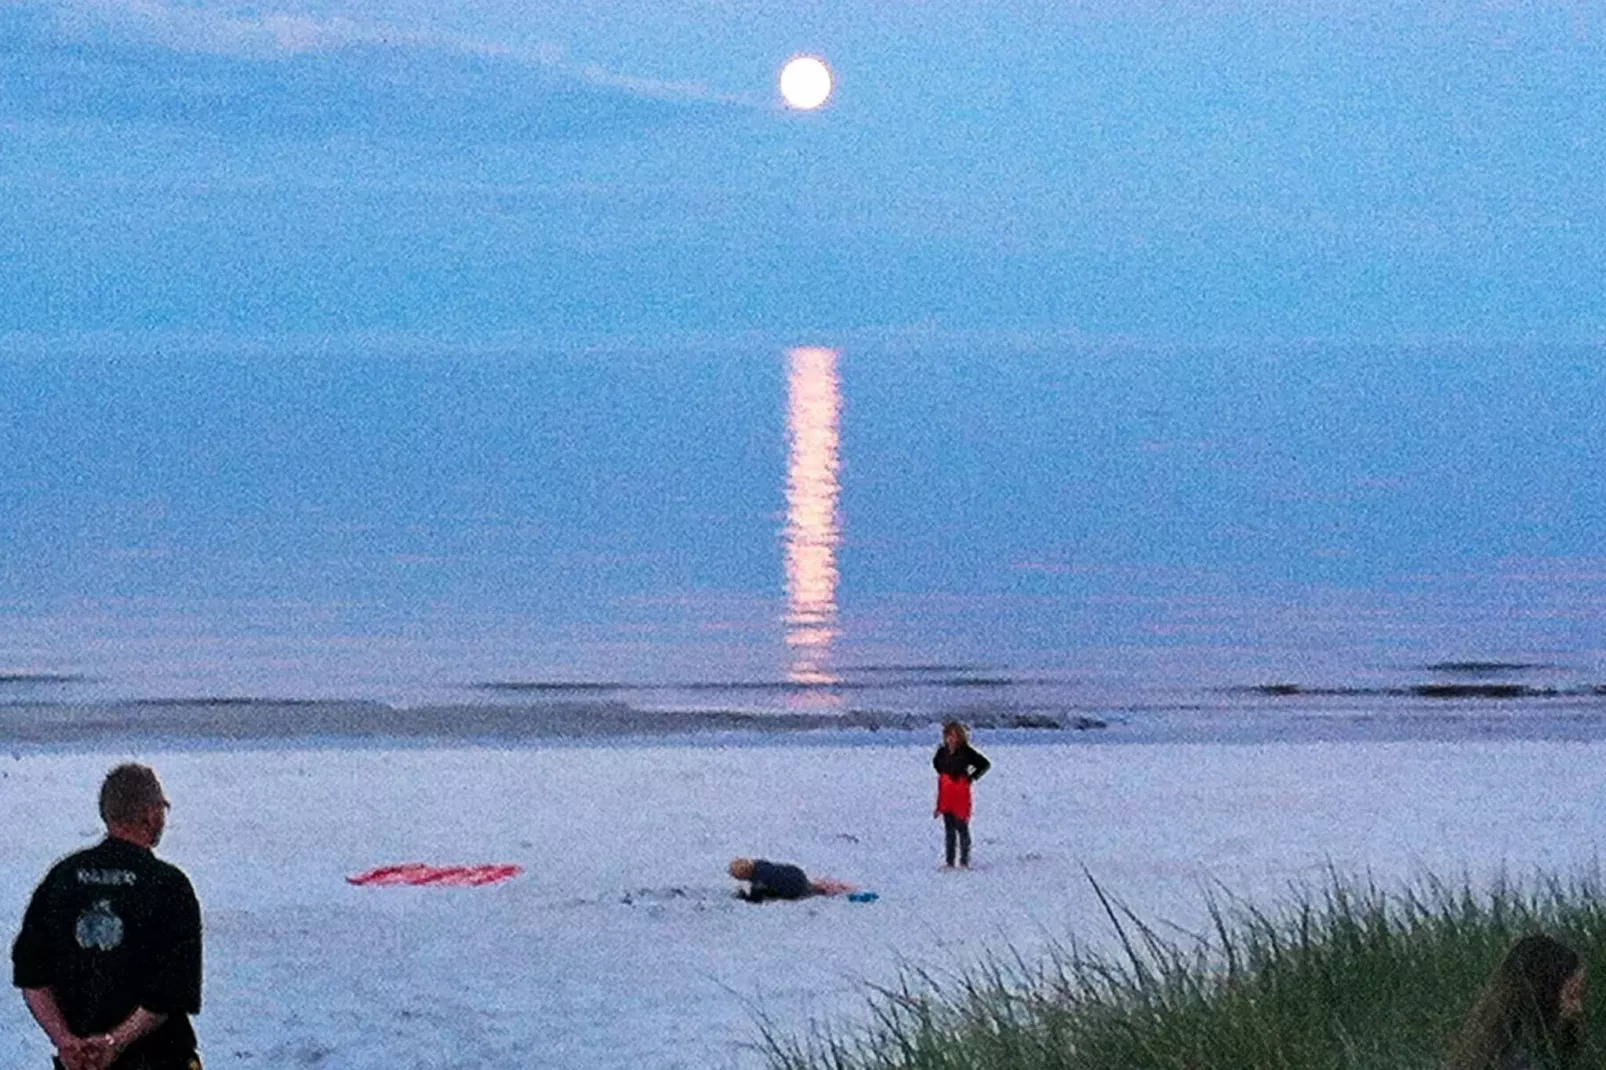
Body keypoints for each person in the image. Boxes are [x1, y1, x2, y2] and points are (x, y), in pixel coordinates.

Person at [12, 764, 203, 1070]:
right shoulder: (168, 885)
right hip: (157, 1059)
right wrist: (114, 1042)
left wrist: (65, 1041)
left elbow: (32, 979)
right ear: (150, 814)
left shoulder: (62, 878)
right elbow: (170, 994)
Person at [1445, 933, 1587, 1070]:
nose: (1578, 1008)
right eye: (1571, 996)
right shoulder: (1523, 1061)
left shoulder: (1490, 1053)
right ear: (1544, 994)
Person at [932, 720, 990, 868]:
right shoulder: (942, 751)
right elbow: (937, 764)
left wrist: (970, 778)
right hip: (946, 792)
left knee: (961, 826)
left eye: (953, 735)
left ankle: (964, 861)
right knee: (949, 828)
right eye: (948, 736)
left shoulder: (966, 751)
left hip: (960, 791)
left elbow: (984, 764)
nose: (950, 739)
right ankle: (949, 861)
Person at [727, 858, 854, 902]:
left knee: (814, 891)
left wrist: (741, 895)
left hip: (795, 890)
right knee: (813, 885)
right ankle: (841, 887)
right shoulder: (761, 864)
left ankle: (835, 891)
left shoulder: (758, 883)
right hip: (796, 873)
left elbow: (755, 898)